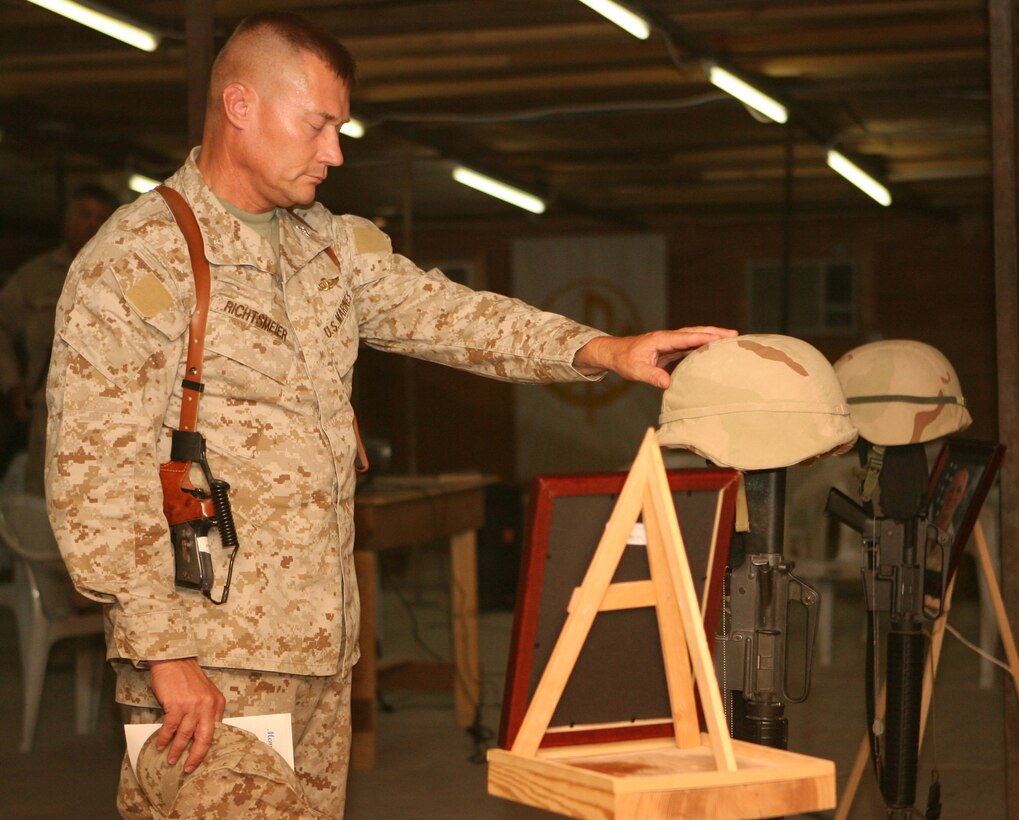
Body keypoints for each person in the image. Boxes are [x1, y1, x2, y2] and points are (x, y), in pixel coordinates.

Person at [45, 12, 735, 818]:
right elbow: (93, 474)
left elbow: (452, 315)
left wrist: (601, 351)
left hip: (320, 648)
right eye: (318, 126)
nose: (334, 152)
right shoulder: (135, 258)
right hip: (207, 655)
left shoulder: (329, 246)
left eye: (339, 128)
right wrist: (164, 652)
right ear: (240, 106)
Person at [0, 184, 116, 494]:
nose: (92, 223)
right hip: (49, 420)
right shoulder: (35, 278)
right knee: (45, 513)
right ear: (67, 221)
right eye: (84, 215)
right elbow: (2, 328)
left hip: (110, 423)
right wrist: (12, 383)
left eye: (100, 217)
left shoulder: (126, 276)